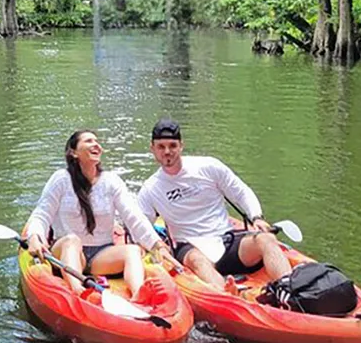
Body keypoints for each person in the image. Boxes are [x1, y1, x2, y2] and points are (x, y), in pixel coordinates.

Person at [137, 119, 292, 294]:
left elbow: (241, 191)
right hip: (190, 246)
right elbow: (140, 226)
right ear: (153, 149)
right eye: (161, 147)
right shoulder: (150, 189)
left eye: (172, 146)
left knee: (267, 240)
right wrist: (156, 245)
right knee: (197, 260)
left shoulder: (209, 167)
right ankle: (228, 295)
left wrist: (256, 217)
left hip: (226, 240)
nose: (167, 152)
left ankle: (290, 289)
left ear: (181, 146)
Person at [23, 130, 181, 300]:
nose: (96, 144)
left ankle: (138, 295)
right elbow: (42, 214)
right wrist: (34, 236)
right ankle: (79, 292)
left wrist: (157, 245)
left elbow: (133, 216)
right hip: (67, 252)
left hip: (100, 255)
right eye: (89, 141)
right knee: (72, 240)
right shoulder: (61, 179)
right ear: (74, 152)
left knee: (133, 251)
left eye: (97, 141)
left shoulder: (111, 181)